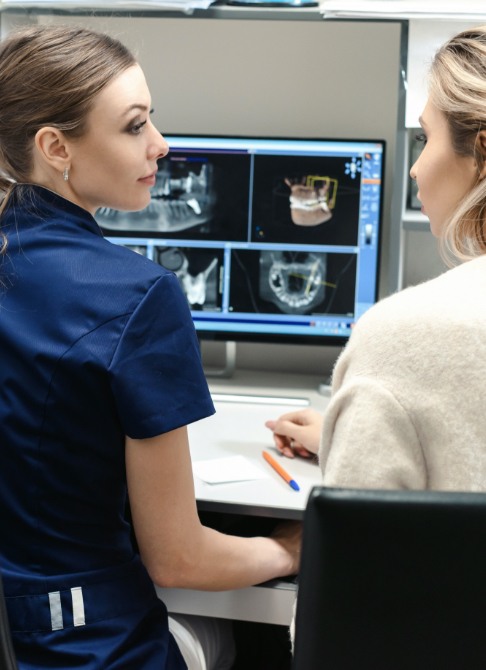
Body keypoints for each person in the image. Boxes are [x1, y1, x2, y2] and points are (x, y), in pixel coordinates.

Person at [0, 25, 301, 670]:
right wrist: (291, 549)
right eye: (135, 126)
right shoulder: (138, 297)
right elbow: (179, 558)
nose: (160, 146)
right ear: (55, 147)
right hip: (89, 647)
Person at [267, 25, 486, 493]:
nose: (415, 167)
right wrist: (349, 437)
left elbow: (358, 553)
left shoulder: (404, 334)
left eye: (425, 139)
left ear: (481, 152)